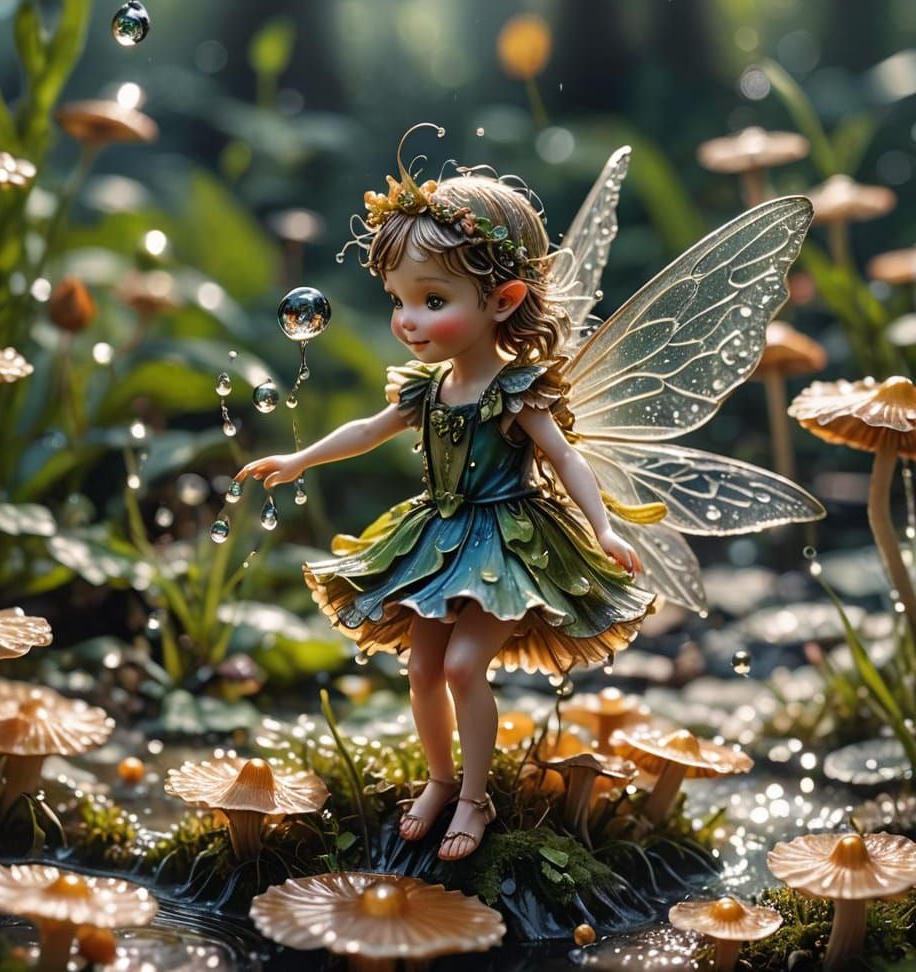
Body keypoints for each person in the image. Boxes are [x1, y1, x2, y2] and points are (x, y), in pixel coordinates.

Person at [235, 126, 658, 861]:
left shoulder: (516, 387)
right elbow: (367, 430)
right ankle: (439, 778)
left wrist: (605, 529)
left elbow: (564, 459)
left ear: (504, 301)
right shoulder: (427, 387)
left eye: (433, 300)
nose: (408, 321)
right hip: (437, 540)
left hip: (510, 543)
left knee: (465, 665)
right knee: (423, 668)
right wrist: (300, 458)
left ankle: (474, 796)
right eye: (400, 300)